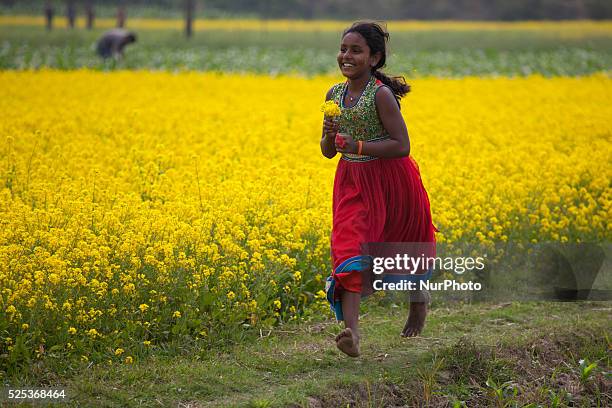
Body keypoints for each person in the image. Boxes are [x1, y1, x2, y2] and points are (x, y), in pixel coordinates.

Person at [321, 21, 438, 357]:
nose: (346, 55)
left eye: (356, 50)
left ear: (374, 58)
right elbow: (328, 152)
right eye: (343, 49)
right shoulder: (333, 95)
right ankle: (353, 336)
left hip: (390, 182)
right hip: (352, 184)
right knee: (350, 251)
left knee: (400, 246)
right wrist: (330, 135)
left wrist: (358, 145)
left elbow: (402, 145)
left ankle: (418, 300)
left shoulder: (381, 95)